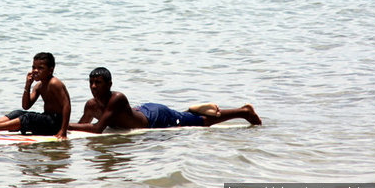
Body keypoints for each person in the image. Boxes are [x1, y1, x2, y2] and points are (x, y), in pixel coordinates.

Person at [68, 67, 261, 133]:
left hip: (155, 118)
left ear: (109, 84)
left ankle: (243, 112)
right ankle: (191, 110)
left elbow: (97, 129)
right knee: (185, 116)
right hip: (142, 110)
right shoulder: (91, 104)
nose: (93, 86)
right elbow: (83, 126)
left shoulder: (117, 98)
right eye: (91, 82)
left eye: (98, 83)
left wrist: (62, 125)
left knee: (202, 123)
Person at [0, 52, 71, 139]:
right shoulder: (39, 86)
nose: (35, 71)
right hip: (47, 120)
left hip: (55, 124)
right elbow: (26, 106)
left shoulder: (54, 83)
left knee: (28, 117)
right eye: (34, 67)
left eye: (40, 68)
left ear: (50, 70)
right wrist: (28, 85)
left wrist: (63, 131)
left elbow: (67, 105)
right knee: (18, 113)